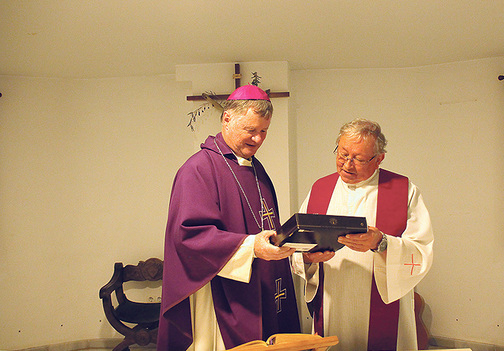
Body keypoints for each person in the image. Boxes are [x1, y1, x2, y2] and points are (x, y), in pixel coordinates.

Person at [158, 85, 301, 351]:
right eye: (251, 130)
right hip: (218, 292)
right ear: (227, 119)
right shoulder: (198, 169)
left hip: (259, 282)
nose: (258, 139)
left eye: (263, 131)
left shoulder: (256, 169)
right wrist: (251, 247)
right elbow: (189, 236)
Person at [291, 118, 433, 351]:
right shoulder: (320, 189)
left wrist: (382, 242)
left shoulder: (403, 190)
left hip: (384, 304)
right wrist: (306, 258)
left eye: (358, 158)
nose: (348, 165)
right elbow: (298, 244)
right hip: (332, 301)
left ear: (379, 159)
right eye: (343, 154)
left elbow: (421, 249)